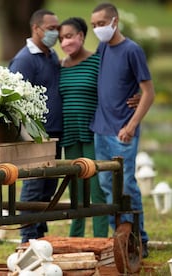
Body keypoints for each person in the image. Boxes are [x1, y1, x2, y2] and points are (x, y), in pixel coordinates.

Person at [90, 3, 155, 258]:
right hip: (101, 129)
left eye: (101, 24)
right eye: (94, 25)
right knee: (107, 185)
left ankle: (139, 239)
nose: (98, 29)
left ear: (114, 21)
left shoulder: (132, 50)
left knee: (127, 185)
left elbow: (148, 92)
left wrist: (131, 125)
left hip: (122, 132)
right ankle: (119, 235)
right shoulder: (103, 47)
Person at [8, 9, 62, 243]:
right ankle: (27, 238)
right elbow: (13, 99)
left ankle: (39, 234)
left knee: (50, 184)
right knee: (34, 186)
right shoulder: (24, 59)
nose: (56, 33)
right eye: (51, 28)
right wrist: (27, 134)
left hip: (55, 131)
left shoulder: (52, 55)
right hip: (37, 134)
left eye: (57, 28)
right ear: (36, 29)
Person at [58, 17, 108, 238]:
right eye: (61, 38)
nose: (64, 42)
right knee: (75, 190)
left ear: (81, 36)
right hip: (70, 133)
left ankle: (100, 240)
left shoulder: (98, 62)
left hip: (92, 133)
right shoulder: (61, 66)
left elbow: (113, 89)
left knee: (96, 189)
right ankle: (75, 238)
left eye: (69, 36)